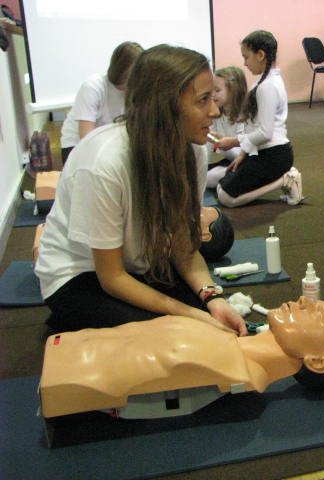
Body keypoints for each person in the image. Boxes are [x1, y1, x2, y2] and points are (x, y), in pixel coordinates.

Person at [34, 44, 247, 337]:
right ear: (163, 106)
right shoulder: (103, 162)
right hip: (80, 275)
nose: (214, 110)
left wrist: (213, 297)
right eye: (202, 100)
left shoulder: (193, 150)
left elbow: (182, 246)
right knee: (181, 331)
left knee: (212, 323)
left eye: (212, 97)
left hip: (136, 267)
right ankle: (71, 320)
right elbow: (111, 277)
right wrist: (187, 313)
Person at [39, 297, 324, 419]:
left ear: (317, 361)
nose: (304, 302)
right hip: (73, 355)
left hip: (73, 379)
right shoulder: (223, 339)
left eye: (316, 315)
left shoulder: (235, 371)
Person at [214, 30, 294, 208]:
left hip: (274, 155)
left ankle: (286, 179)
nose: (245, 63)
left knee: (226, 198)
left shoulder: (267, 86)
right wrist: (243, 153)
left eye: (246, 57)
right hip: (262, 151)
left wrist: (233, 142)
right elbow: (255, 126)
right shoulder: (263, 83)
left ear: (260, 55)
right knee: (220, 187)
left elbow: (265, 132)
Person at [59, 41, 143, 164]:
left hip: (107, 147)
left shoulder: (133, 91)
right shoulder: (93, 86)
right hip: (76, 147)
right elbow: (86, 138)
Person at [206, 66, 247, 189]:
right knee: (204, 176)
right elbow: (208, 146)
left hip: (246, 162)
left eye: (217, 90)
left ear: (233, 91)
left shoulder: (245, 115)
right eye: (211, 90)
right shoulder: (217, 113)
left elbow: (243, 155)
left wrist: (220, 141)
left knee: (209, 178)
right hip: (231, 161)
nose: (212, 95)